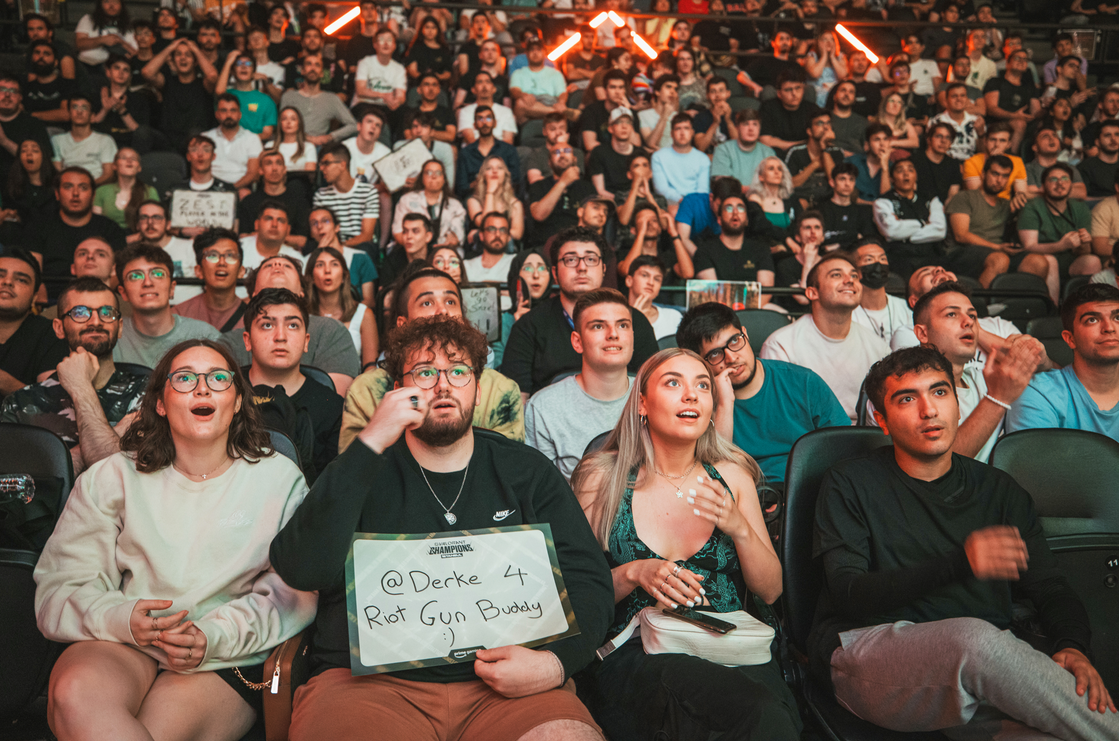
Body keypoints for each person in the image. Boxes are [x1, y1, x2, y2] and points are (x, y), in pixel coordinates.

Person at [271, 314, 611, 741]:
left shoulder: (526, 471)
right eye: (425, 372)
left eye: (458, 371)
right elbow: (301, 568)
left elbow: (590, 583)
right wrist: (372, 439)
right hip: (369, 688)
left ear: (478, 389)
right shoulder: (359, 468)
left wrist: (554, 664)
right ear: (398, 389)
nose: (443, 384)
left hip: (508, 686)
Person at [810, 345, 1119, 739]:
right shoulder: (849, 483)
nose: (929, 410)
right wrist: (959, 563)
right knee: (972, 639)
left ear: (957, 401)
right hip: (868, 654)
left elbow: (1050, 587)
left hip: (978, 678)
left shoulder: (1000, 490)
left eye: (940, 392)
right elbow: (848, 593)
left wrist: (1073, 645)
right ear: (881, 420)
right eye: (908, 399)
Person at [35, 338, 317, 741]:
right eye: (185, 378)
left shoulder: (279, 480)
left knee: (157, 730)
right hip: (120, 637)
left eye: (219, 378)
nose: (202, 388)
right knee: (74, 695)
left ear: (238, 401)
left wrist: (211, 636)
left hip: (222, 652)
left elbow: (290, 596)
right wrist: (124, 619)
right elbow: (60, 585)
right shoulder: (111, 476)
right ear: (161, 403)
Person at [570, 347, 802, 740]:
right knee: (754, 714)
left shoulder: (733, 475)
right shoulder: (601, 480)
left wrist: (739, 527)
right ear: (642, 402)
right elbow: (574, 600)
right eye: (673, 383)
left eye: (703, 386)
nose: (691, 395)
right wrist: (633, 572)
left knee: (767, 712)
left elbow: (772, 590)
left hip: (731, 644)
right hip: (640, 654)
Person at [339, 268, 524, 451]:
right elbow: (350, 475)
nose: (442, 311)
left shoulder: (500, 390)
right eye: (427, 303)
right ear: (403, 324)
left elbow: (511, 468)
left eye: (451, 301)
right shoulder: (366, 392)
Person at [676, 302, 848, 485]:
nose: (732, 358)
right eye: (715, 354)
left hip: (810, 489)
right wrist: (724, 405)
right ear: (700, 363)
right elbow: (715, 472)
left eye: (734, 340)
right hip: (744, 496)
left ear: (745, 334)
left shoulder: (803, 382)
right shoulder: (696, 403)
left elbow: (844, 449)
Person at [2, 276, 144, 472]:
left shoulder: (150, 393)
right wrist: (114, 433)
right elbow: (26, 487)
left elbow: (124, 477)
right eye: (80, 312)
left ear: (119, 327)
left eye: (107, 312)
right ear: (59, 328)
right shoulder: (20, 403)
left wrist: (81, 388)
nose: (95, 321)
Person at [503, 227, 659, 401]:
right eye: (570, 260)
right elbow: (517, 402)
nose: (582, 267)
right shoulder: (529, 326)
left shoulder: (634, 321)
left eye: (591, 259)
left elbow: (652, 390)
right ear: (555, 273)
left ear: (604, 269)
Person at [912, 281, 1043, 462]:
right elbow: (938, 465)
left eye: (972, 316)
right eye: (951, 314)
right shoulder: (906, 388)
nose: (969, 322)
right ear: (922, 334)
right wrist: (997, 399)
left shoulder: (982, 378)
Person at [761, 253, 891, 420]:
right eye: (836, 275)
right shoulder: (781, 345)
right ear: (812, 292)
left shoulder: (879, 347)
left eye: (854, 275)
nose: (849, 280)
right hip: (809, 438)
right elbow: (780, 413)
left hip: (866, 436)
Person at [525, 287, 633, 481]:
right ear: (577, 342)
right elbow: (541, 493)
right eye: (598, 326)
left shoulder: (655, 396)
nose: (613, 334)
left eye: (623, 325)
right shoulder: (543, 407)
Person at [220, 255, 361, 395]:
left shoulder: (331, 330)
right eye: (268, 266)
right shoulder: (229, 342)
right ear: (253, 294)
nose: (277, 265)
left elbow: (331, 398)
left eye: (287, 266)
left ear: (302, 292)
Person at [243, 287, 343, 480]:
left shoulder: (331, 406)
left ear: (306, 341)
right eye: (266, 325)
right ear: (247, 340)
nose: (280, 336)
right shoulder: (223, 390)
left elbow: (330, 488)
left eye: (292, 325)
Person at [1006, 283, 1119, 438]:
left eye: (1117, 318)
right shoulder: (1039, 393)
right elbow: (1036, 462)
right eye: (1092, 320)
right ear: (1070, 339)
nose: (1109, 328)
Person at [947, 155, 1049, 288]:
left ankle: (1022, 307)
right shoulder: (964, 197)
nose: (999, 180)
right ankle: (980, 306)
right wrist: (998, 247)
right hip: (962, 252)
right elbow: (961, 235)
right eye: (995, 174)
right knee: (1000, 259)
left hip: (997, 252)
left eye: (1005, 176)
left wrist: (1022, 198)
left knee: (1038, 262)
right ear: (983, 174)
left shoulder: (1007, 204)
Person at [113, 244, 221, 367]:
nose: (147, 283)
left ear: (172, 288)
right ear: (123, 293)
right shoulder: (111, 335)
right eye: (135, 276)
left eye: (158, 274)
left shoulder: (205, 336)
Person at [27, 167, 127, 298]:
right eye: (68, 187)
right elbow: (31, 273)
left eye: (83, 188)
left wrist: (96, 296)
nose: (75, 193)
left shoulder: (110, 229)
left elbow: (118, 275)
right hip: (48, 299)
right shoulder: (38, 227)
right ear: (57, 193)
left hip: (100, 296)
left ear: (93, 195)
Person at [1018, 163, 1099, 304]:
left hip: (1070, 261)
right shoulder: (1032, 207)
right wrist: (1061, 245)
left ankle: (1085, 309)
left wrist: (1085, 243)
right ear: (1043, 186)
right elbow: (1029, 246)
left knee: (1092, 261)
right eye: (1053, 179)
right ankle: (1053, 311)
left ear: (1071, 184)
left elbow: (1085, 252)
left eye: (1065, 179)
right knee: (1051, 261)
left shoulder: (1080, 208)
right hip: (1041, 260)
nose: (1060, 183)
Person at [0, 251, 69, 397]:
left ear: (34, 297)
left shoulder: (51, 334)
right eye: (0, 275)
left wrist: (4, 382)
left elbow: (51, 404)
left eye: (21, 280)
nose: (7, 282)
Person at [872, 158, 948, 278]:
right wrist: (924, 223)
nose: (906, 174)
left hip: (931, 254)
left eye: (910, 170)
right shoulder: (883, 202)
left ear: (916, 176)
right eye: (900, 171)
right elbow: (891, 231)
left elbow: (940, 230)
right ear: (891, 179)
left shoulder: (931, 199)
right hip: (899, 257)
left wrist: (906, 234)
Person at [140, 38, 219, 154]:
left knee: (194, 135)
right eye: (178, 54)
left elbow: (212, 75)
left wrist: (196, 50)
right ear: (173, 60)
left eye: (188, 55)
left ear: (195, 61)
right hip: (167, 138)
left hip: (193, 139)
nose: (183, 58)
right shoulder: (167, 82)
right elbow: (147, 72)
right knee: (142, 131)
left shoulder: (203, 84)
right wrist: (170, 47)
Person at [306, 246, 378, 369]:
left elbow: (370, 368)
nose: (327, 270)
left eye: (334, 264)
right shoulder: (301, 315)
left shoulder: (364, 314)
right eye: (320, 265)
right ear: (311, 277)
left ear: (344, 276)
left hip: (354, 386)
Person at [693, 193, 775, 298]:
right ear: (719, 220)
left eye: (740, 208)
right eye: (729, 208)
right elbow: (712, 293)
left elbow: (765, 291)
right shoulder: (704, 250)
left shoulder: (761, 249)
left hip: (755, 311)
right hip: (720, 311)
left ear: (747, 220)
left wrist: (747, 313)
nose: (735, 212)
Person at [527, 142, 596, 248]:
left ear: (575, 160)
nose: (562, 155)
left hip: (578, 246)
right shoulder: (539, 186)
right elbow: (538, 215)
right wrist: (563, 182)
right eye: (557, 152)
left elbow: (594, 223)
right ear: (549, 162)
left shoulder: (588, 188)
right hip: (544, 246)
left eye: (567, 151)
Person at [279, 55, 357, 146]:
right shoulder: (289, 96)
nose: (313, 68)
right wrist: (308, 138)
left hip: (319, 147)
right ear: (302, 71)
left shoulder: (331, 98)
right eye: (309, 64)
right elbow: (281, 125)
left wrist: (330, 137)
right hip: (293, 144)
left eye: (317, 65)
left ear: (322, 73)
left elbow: (353, 125)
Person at [391, 159, 466, 252]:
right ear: (422, 178)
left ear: (444, 179)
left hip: (443, 252)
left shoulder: (455, 205)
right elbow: (398, 233)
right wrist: (419, 249)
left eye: (438, 173)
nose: (434, 176)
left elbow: (456, 236)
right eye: (429, 172)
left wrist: (445, 245)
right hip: (411, 251)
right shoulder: (407, 200)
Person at [313, 143, 379, 248]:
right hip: (330, 246)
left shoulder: (368, 191)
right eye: (321, 164)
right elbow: (319, 231)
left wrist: (341, 247)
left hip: (359, 247)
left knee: (367, 247)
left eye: (326, 163)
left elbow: (367, 235)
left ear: (342, 165)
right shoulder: (321, 195)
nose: (321, 168)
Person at [202, 94, 262, 199]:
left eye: (233, 110)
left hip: (239, 187)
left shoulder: (252, 138)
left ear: (240, 114)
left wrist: (231, 189)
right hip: (210, 186)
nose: (229, 115)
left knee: (245, 195)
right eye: (224, 110)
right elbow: (200, 168)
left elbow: (253, 173)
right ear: (217, 114)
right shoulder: (205, 138)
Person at [455, 105, 522, 200]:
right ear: (475, 125)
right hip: (475, 198)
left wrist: (495, 182)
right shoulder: (465, 153)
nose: (485, 122)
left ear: (495, 123)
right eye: (480, 119)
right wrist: (477, 184)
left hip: (503, 196)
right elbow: (460, 188)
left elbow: (515, 181)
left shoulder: (508, 150)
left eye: (488, 118)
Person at [852, 241, 914, 342]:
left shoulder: (905, 308)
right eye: (869, 259)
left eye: (882, 259)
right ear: (855, 270)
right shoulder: (849, 312)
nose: (878, 263)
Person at [983, 49, 1041, 153]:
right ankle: (1011, 158)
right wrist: (1014, 115)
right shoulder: (995, 82)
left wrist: (1047, 107)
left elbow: (1036, 112)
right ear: (1007, 64)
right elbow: (991, 109)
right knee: (1019, 123)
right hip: (997, 121)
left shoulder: (1029, 87)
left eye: (1025, 59)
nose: (1021, 61)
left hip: (1023, 122)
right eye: (1017, 58)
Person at [51, 94, 117, 185]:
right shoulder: (57, 140)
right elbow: (57, 173)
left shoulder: (105, 140)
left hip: (97, 187)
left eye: (84, 108)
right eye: (75, 107)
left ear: (92, 116)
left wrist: (87, 187)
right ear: (69, 113)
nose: (79, 112)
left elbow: (109, 175)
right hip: (68, 187)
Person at [760, 69, 821, 161]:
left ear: (803, 90)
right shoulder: (768, 107)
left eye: (798, 88)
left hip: (806, 157)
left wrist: (781, 143)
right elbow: (765, 141)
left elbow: (821, 138)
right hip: (777, 156)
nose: (794, 94)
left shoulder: (813, 109)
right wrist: (800, 144)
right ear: (779, 94)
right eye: (788, 90)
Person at [651, 114, 710, 209]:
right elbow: (661, 189)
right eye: (678, 129)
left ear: (692, 132)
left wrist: (691, 203)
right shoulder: (658, 157)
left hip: (696, 203)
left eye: (686, 128)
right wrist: (683, 201)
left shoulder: (702, 158)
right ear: (671, 133)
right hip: (670, 203)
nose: (682, 133)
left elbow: (702, 189)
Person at [92, 148, 158, 231]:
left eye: (133, 159)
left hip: (140, 240)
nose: (129, 161)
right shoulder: (101, 191)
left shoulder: (149, 191)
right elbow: (96, 225)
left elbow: (155, 225)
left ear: (139, 168)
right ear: (114, 166)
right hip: (109, 240)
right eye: (123, 158)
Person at [785, 109, 842, 206]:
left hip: (829, 202)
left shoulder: (837, 152)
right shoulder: (796, 152)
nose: (825, 127)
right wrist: (814, 165)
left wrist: (824, 148)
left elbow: (836, 183)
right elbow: (789, 185)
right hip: (801, 200)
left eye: (828, 123)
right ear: (809, 131)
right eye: (820, 123)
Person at [216, 52, 277, 140]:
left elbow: (267, 133)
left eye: (248, 64)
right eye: (239, 64)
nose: (243, 66)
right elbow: (219, 92)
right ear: (232, 71)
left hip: (255, 148)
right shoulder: (227, 96)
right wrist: (229, 62)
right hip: (227, 144)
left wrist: (245, 142)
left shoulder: (266, 100)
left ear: (254, 72)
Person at [819, 163, 877, 251]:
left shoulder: (863, 211)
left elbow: (867, 241)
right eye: (842, 179)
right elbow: (821, 241)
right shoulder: (820, 210)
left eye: (851, 179)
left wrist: (837, 245)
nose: (847, 184)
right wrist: (854, 236)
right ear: (832, 182)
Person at [963, 123, 1027, 203]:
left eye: (1002, 141)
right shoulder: (972, 161)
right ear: (985, 141)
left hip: (1005, 206)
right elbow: (976, 194)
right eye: (993, 140)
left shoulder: (1017, 161)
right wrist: (992, 162)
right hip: (980, 206)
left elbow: (1021, 192)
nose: (997, 145)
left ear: (1009, 144)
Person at [509, 38, 568, 125]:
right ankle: (555, 113)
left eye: (539, 49)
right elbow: (514, 91)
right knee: (520, 104)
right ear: (527, 54)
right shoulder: (518, 73)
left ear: (544, 52)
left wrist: (561, 103)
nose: (535, 53)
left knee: (560, 107)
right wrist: (523, 95)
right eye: (532, 50)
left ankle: (555, 112)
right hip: (528, 107)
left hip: (550, 103)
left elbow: (562, 93)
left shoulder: (555, 73)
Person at [711, 109, 775, 187]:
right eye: (746, 124)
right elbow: (723, 184)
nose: (751, 129)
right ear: (737, 128)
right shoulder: (723, 150)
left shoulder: (768, 152)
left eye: (755, 124)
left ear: (759, 128)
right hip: (732, 196)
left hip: (761, 197)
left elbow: (772, 183)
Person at [587, 106, 641, 198]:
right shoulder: (599, 152)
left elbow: (643, 188)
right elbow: (600, 191)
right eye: (619, 122)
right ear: (610, 128)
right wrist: (622, 202)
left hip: (636, 201)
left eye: (628, 122)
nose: (624, 126)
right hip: (609, 202)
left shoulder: (639, 154)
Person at [467, 156, 523, 243]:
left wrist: (479, 233)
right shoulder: (473, 201)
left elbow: (517, 234)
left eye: (499, 168)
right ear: (483, 175)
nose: (494, 171)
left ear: (505, 175)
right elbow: (485, 224)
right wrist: (490, 192)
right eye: (489, 168)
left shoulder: (515, 203)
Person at [625, 257, 682, 341]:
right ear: (629, 281)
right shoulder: (614, 316)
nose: (651, 283)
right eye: (644, 275)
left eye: (657, 279)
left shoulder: (673, 317)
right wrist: (635, 318)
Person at [928, 83, 985, 163]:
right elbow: (932, 152)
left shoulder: (976, 121)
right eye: (954, 96)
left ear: (967, 99)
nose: (959, 99)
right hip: (945, 164)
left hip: (971, 166)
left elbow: (982, 153)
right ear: (947, 100)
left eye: (962, 96)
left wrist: (981, 134)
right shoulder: (936, 121)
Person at [1027, 126, 1087, 200]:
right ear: (1035, 147)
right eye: (1045, 136)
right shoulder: (1028, 169)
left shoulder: (1068, 167)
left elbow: (1081, 193)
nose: (1052, 138)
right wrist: (1065, 189)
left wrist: (1044, 191)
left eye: (1055, 136)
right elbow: (1029, 194)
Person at [456, 71, 517, 145]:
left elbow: (508, 141)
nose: (484, 86)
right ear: (473, 90)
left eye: (488, 82)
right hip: (474, 153)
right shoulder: (465, 112)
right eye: (480, 82)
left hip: (500, 154)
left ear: (494, 89)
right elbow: (470, 140)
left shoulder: (506, 112)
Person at [25, 41, 77, 125]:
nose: (41, 56)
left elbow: (66, 114)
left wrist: (31, 115)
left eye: (46, 54)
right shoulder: (26, 86)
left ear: (56, 62)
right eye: (37, 53)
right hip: (29, 131)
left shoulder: (66, 84)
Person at [845, 124, 894, 203]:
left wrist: (885, 169)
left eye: (885, 139)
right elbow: (844, 193)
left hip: (882, 212)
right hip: (856, 209)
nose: (882, 144)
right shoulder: (852, 162)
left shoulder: (893, 167)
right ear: (867, 144)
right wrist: (872, 205)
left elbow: (886, 199)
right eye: (877, 139)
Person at [463, 212, 516, 283]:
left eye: (503, 230)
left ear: (509, 237)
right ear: (481, 235)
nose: (497, 234)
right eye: (492, 229)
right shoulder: (466, 266)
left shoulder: (516, 263)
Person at [638, 74, 680, 152]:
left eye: (675, 89)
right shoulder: (643, 115)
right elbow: (651, 144)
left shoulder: (678, 117)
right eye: (668, 87)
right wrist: (664, 116)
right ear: (657, 92)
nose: (672, 91)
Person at [1078, 121, 1119, 199]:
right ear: (1097, 142)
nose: (1113, 139)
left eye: (1117, 134)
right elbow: (1082, 199)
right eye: (1107, 135)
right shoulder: (1085, 167)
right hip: (1098, 209)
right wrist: (1113, 199)